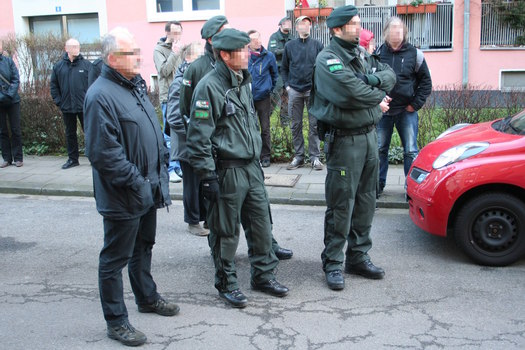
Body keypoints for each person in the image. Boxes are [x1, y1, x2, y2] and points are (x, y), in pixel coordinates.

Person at [83, 27, 179, 347]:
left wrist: (160, 166)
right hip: (124, 194)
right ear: (112, 59)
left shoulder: (133, 85)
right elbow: (104, 154)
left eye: (138, 51)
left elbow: (149, 129)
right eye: (131, 53)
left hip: (146, 189)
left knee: (143, 248)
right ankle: (116, 321)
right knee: (114, 259)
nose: (139, 57)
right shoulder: (100, 95)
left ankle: (147, 298)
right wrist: (138, 182)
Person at [186, 28, 289, 308]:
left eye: (247, 49)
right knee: (225, 231)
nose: (248, 53)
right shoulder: (209, 87)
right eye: (242, 51)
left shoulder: (243, 80)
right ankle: (227, 283)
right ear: (224, 55)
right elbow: (198, 137)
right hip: (227, 170)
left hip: (251, 168)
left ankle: (264, 276)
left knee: (261, 225)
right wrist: (207, 176)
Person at [309, 5, 396, 290]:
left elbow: (390, 77)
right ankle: (333, 262)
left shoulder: (361, 54)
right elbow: (349, 93)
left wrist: (370, 81)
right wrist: (375, 93)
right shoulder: (328, 59)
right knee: (341, 204)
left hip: (370, 137)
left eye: (359, 23)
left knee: (367, 199)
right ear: (336, 29)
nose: (358, 27)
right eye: (353, 24)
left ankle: (358, 256)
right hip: (345, 140)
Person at [375, 17, 432, 195]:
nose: (397, 31)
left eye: (400, 28)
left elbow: (426, 83)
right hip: (384, 111)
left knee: (410, 151)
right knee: (379, 149)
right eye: (393, 28)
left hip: (406, 111)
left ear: (405, 32)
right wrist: (377, 100)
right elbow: (371, 81)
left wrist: (414, 105)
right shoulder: (378, 53)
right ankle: (378, 186)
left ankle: (411, 189)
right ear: (386, 32)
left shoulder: (414, 54)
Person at [166, 41, 209, 236]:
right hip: (186, 145)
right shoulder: (180, 81)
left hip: (198, 143)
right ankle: (193, 222)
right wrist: (195, 132)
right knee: (191, 185)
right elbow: (174, 116)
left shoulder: (198, 77)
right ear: (189, 58)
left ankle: (206, 219)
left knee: (203, 183)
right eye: (200, 56)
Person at [281, 15, 324, 171]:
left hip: (312, 91)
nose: (305, 26)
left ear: (310, 27)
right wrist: (287, 87)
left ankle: (315, 158)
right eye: (302, 23)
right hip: (295, 91)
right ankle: (299, 157)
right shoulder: (290, 46)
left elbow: (323, 68)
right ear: (297, 27)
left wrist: (318, 87)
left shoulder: (318, 45)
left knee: (314, 125)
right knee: (295, 125)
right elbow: (284, 68)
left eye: (308, 23)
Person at [50, 38, 92, 169]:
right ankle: (73, 159)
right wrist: (59, 102)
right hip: (67, 106)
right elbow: (54, 86)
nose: (76, 49)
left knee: (90, 132)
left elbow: (93, 85)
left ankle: (93, 158)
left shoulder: (87, 65)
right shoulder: (58, 67)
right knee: (70, 133)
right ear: (66, 48)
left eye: (78, 46)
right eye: (73, 46)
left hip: (84, 106)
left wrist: (90, 102)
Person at [154, 21, 184, 183]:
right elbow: (164, 71)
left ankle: (179, 166)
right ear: (167, 33)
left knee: (180, 134)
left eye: (179, 32)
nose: (177, 36)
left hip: (182, 96)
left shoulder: (181, 49)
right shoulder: (159, 50)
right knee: (169, 135)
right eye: (174, 32)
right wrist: (174, 53)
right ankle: (171, 168)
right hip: (168, 98)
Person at [247, 30, 279, 168]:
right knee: (249, 127)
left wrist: (269, 89)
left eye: (258, 38)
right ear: (248, 42)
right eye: (254, 39)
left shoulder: (268, 56)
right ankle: (252, 155)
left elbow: (275, 75)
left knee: (264, 128)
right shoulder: (244, 56)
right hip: (247, 98)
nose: (257, 41)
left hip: (263, 97)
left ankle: (265, 156)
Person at [0, 40, 23, 168]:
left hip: (12, 100)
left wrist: (8, 94)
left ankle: (18, 158)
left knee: (15, 129)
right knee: (2, 131)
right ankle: (6, 158)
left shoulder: (8, 61)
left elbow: (16, 79)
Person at [267, 17, 293, 126]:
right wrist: (287, 50)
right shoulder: (274, 37)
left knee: (287, 99)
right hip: (277, 72)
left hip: (289, 73)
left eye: (290, 23)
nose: (288, 25)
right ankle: (265, 117)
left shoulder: (292, 38)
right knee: (274, 96)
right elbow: (272, 52)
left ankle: (285, 122)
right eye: (286, 23)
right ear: (280, 25)